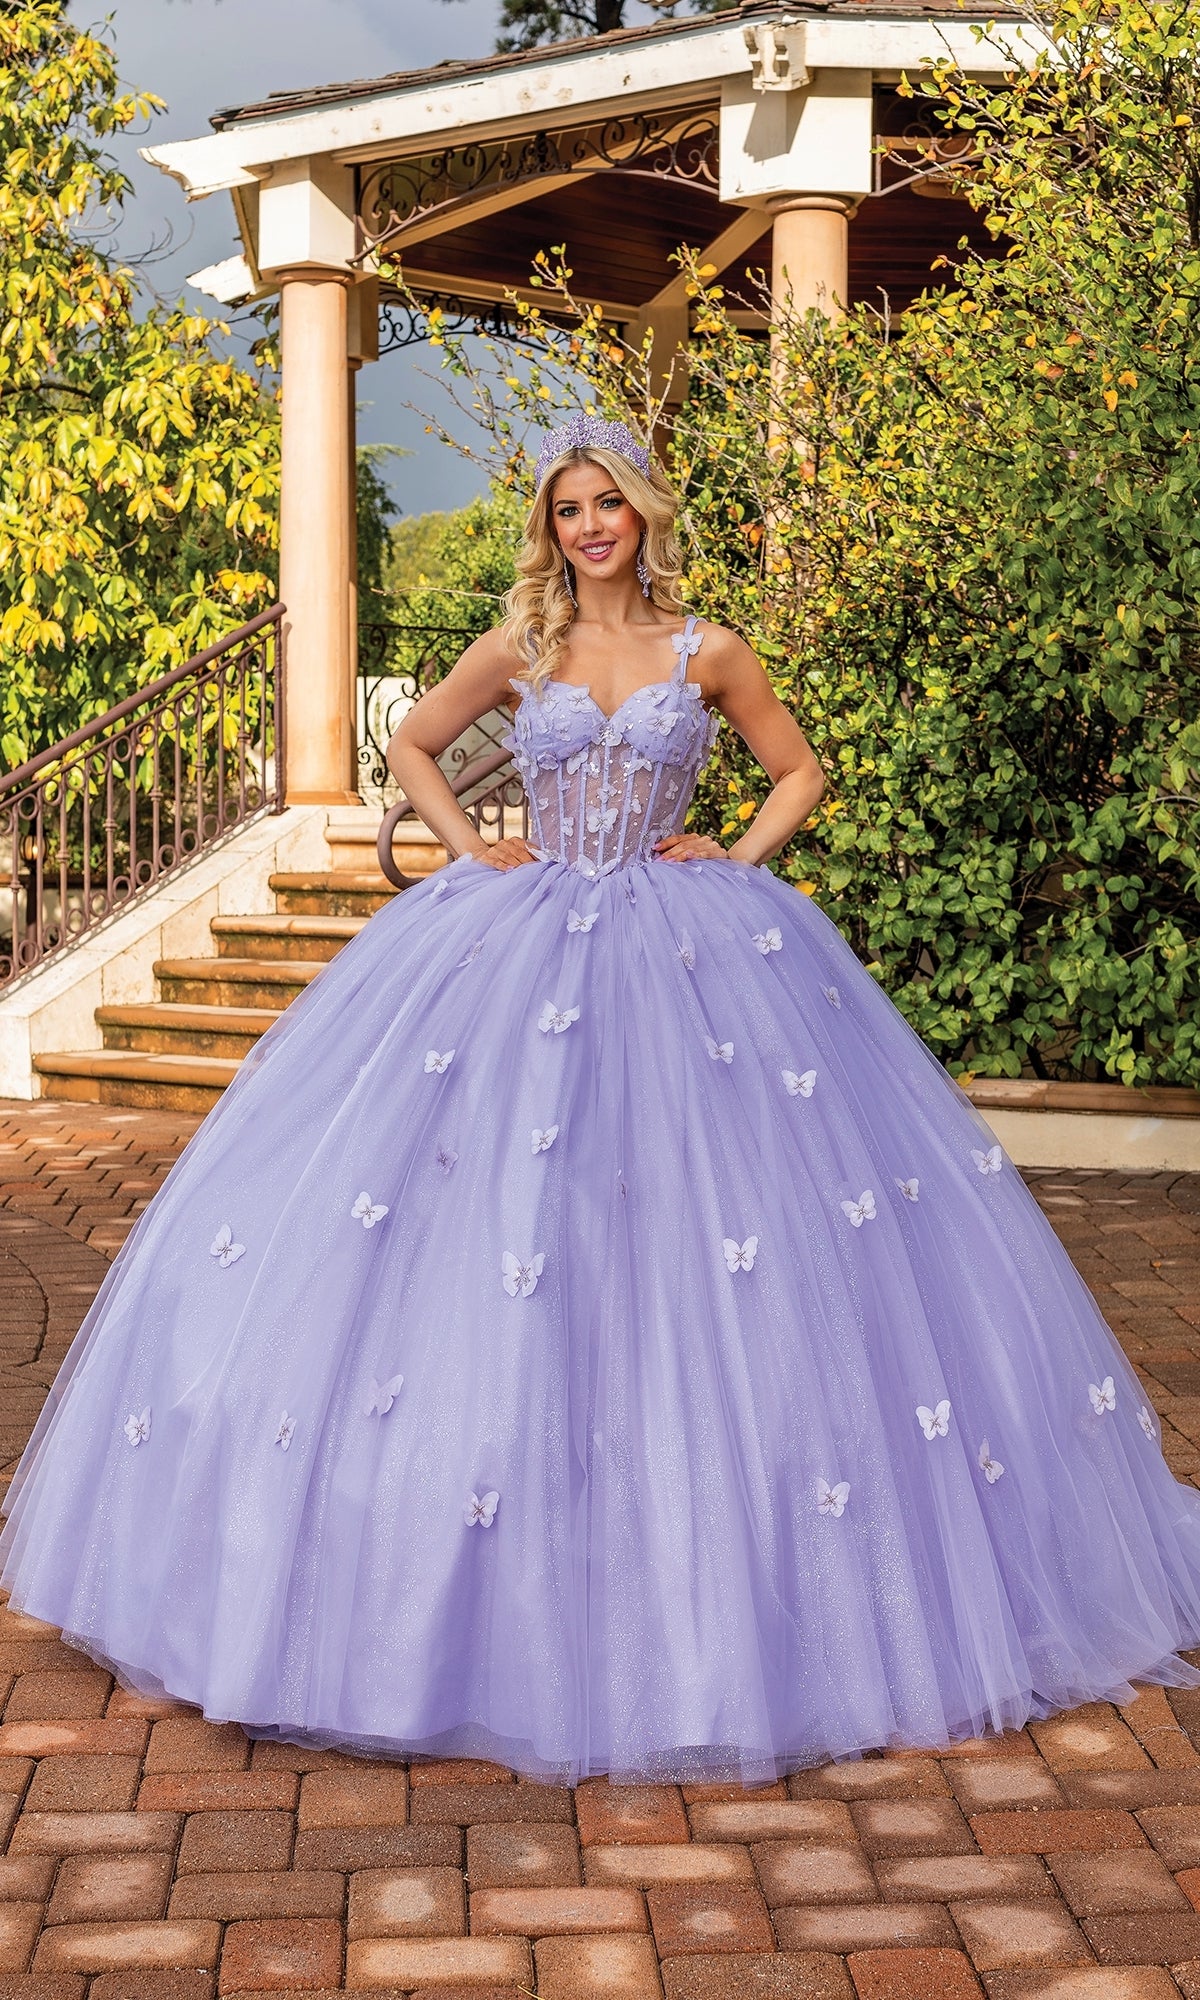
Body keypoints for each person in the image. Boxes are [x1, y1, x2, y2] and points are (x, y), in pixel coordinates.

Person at [3, 414, 1200, 1788]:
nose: (588, 527)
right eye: (568, 508)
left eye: (607, 505)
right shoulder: (526, 648)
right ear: (552, 527)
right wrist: (476, 852)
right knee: (497, 1221)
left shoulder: (712, 651)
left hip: (688, 946)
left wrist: (736, 855)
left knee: (714, 1235)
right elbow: (417, 745)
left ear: (641, 516)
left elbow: (800, 769)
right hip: (519, 936)